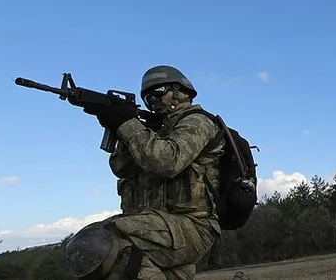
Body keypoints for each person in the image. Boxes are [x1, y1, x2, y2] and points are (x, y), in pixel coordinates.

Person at [62, 65, 224, 279]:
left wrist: (127, 123)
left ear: (180, 90)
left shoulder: (199, 121)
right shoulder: (151, 133)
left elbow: (168, 161)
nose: (153, 101)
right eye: (147, 98)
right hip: (161, 229)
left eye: (158, 92)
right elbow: (121, 168)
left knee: (101, 241)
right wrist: (120, 126)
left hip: (192, 227)